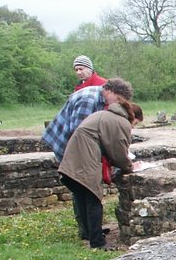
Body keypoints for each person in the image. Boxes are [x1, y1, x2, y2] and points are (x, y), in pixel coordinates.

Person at [57, 95, 142, 249]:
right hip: (85, 159)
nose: (133, 128)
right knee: (93, 198)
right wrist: (129, 166)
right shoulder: (120, 121)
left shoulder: (104, 115)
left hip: (73, 158)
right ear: (133, 117)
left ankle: (89, 232)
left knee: (82, 196)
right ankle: (97, 242)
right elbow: (118, 150)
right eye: (135, 124)